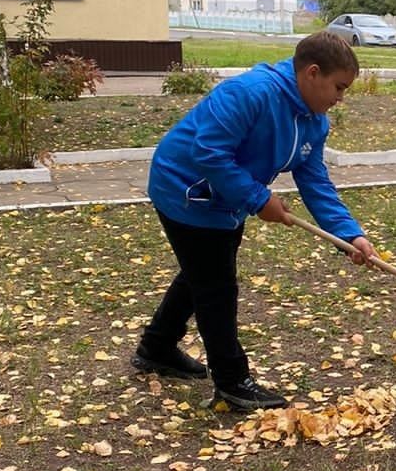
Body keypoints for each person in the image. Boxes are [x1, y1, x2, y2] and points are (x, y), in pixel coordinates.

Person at [134, 31, 375, 412]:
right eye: (338, 87)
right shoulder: (249, 93)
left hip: (227, 197)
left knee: (202, 272)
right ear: (312, 73)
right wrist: (258, 199)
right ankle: (231, 381)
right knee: (215, 284)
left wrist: (348, 234)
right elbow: (209, 153)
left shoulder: (315, 121)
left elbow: (314, 181)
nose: (340, 98)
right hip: (185, 188)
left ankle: (157, 347)